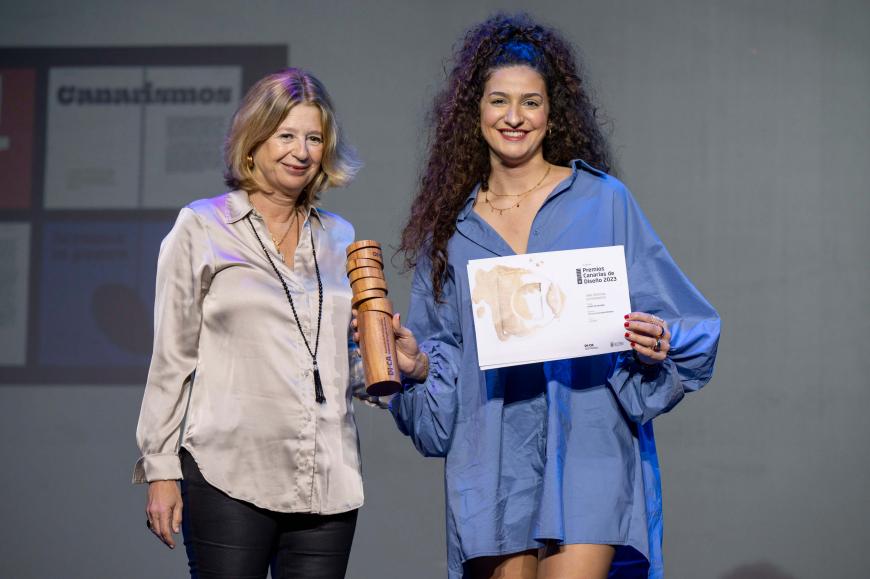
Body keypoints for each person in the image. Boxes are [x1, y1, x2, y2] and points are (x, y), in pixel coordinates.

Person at [376, 13, 720, 579]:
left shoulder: (602, 200)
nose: (514, 117)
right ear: (474, 113)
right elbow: (442, 361)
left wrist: (656, 340)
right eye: (499, 101)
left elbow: (679, 320)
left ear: (552, 113)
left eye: (530, 102)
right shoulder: (451, 229)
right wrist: (417, 368)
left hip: (587, 443)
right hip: (492, 456)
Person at [133, 68, 366, 579]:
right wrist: (160, 470)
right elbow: (171, 360)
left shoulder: (340, 237)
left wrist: (396, 364)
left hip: (326, 480)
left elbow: (342, 363)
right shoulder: (202, 226)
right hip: (230, 474)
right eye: (286, 136)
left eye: (314, 138)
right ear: (253, 142)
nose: (301, 152)